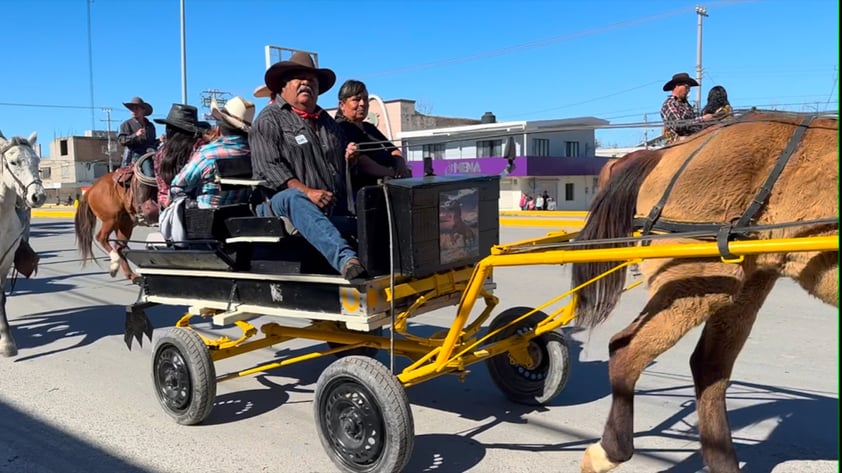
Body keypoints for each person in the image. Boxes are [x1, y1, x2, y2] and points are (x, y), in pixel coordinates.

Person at [249, 52, 365, 280]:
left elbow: (341, 166)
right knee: (294, 198)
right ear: (284, 86)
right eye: (298, 78)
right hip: (276, 204)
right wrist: (307, 191)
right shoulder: (268, 119)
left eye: (311, 80)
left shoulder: (328, 122)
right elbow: (269, 169)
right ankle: (346, 260)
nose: (306, 83)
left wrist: (350, 159)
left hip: (328, 204)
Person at [169, 96, 254, 208]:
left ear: (219, 128)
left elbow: (177, 185)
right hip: (243, 211)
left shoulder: (207, 154)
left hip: (208, 217)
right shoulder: (254, 153)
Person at [334, 79, 410, 195]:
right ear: (342, 105)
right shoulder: (340, 128)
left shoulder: (369, 127)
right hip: (364, 193)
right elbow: (362, 162)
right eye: (356, 100)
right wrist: (393, 174)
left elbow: (394, 150)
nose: (362, 104)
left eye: (365, 99)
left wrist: (401, 165)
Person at [152, 104, 210, 211]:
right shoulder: (199, 148)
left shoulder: (160, 152)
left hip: (167, 208)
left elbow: (161, 184)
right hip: (196, 205)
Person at [660, 72, 713, 144]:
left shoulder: (686, 105)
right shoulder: (669, 104)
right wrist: (703, 119)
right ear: (677, 86)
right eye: (686, 87)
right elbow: (679, 126)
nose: (689, 90)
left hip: (693, 138)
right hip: (679, 144)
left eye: (689, 87)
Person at [117, 97, 159, 176]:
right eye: (132, 109)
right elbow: (121, 141)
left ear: (143, 110)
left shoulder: (150, 126)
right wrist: (135, 135)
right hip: (136, 155)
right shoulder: (126, 124)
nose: (133, 111)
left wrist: (159, 140)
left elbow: (152, 143)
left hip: (151, 154)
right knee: (149, 174)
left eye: (136, 109)